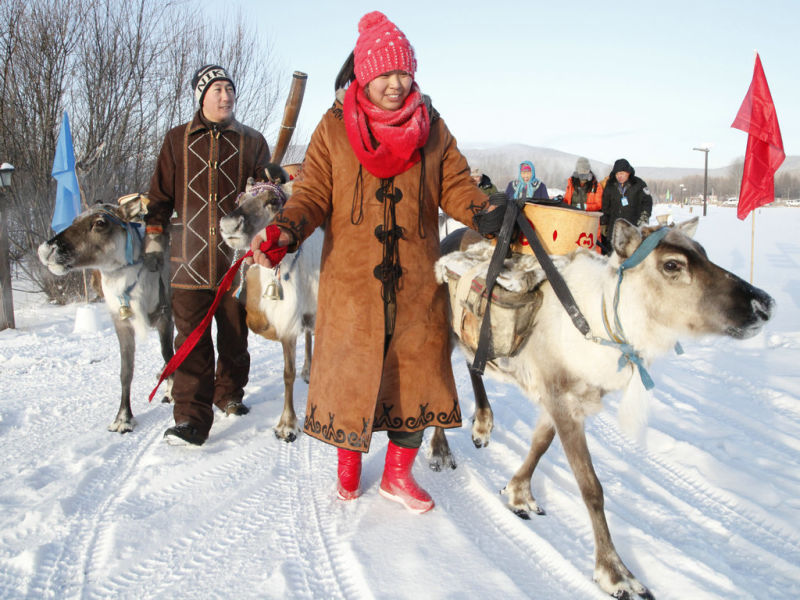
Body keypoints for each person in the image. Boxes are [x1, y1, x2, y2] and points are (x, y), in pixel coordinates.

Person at [250, 11, 503, 514]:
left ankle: (396, 476)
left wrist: (485, 213)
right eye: (385, 73)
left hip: (416, 285)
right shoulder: (333, 128)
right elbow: (314, 193)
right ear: (364, 74)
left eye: (404, 73)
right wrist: (286, 229)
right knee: (352, 376)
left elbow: (455, 185)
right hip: (352, 285)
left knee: (415, 380)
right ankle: (348, 472)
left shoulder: (432, 128)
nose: (395, 83)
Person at [144, 65, 273, 446]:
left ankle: (229, 394)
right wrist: (154, 238)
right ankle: (190, 419)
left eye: (230, 89)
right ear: (201, 96)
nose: (225, 95)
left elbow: (266, 195)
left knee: (234, 338)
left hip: (235, 262)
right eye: (217, 89)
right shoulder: (175, 140)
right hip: (187, 260)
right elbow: (160, 196)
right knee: (191, 343)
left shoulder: (252, 141)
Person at [599, 158, 652, 255]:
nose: (619, 176)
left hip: (633, 227)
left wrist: (644, 216)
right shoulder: (610, 185)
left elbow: (647, 202)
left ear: (628, 172)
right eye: (617, 174)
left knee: (632, 255)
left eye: (622, 173)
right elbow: (605, 206)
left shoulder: (639, 184)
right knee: (613, 256)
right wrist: (603, 222)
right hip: (614, 229)